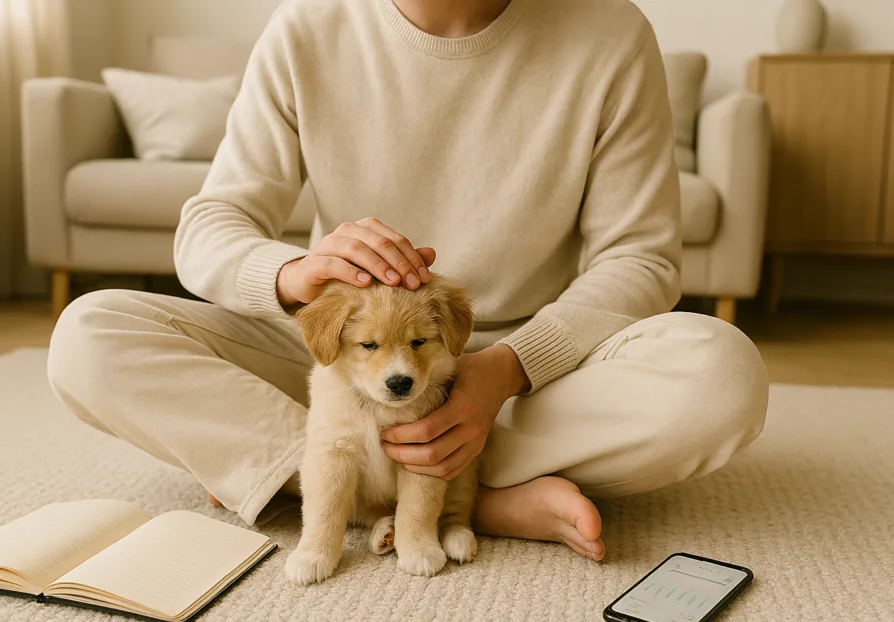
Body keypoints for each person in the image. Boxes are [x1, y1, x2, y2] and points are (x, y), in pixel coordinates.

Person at [48, 0, 769, 561]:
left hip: (523, 373)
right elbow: (209, 225)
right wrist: (294, 272)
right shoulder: (308, 27)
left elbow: (639, 259)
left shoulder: (610, 33)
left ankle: (344, 478)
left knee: (722, 374)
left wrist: (503, 371)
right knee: (89, 335)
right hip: (348, 373)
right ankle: (471, 499)